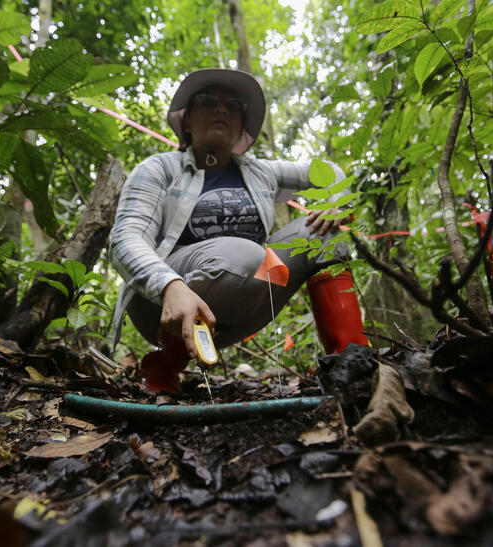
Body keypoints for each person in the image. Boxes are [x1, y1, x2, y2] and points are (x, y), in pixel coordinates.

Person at [109, 69, 361, 390]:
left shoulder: (261, 173)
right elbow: (125, 240)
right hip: (160, 305)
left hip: (245, 294)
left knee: (323, 232)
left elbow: (330, 172)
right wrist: (170, 285)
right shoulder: (159, 170)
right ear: (186, 121)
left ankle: (351, 363)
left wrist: (338, 203)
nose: (221, 109)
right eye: (209, 101)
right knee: (245, 256)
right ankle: (169, 358)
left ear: (241, 126)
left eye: (233, 106)